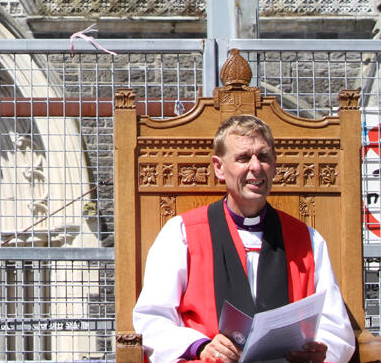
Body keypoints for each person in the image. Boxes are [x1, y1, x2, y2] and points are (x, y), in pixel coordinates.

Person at [132, 115, 355, 363]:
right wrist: (201, 347)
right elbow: (152, 318)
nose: (256, 167)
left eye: (264, 157)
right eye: (243, 158)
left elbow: (336, 328)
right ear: (219, 167)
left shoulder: (307, 240)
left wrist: (318, 349)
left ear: (275, 164)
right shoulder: (182, 234)